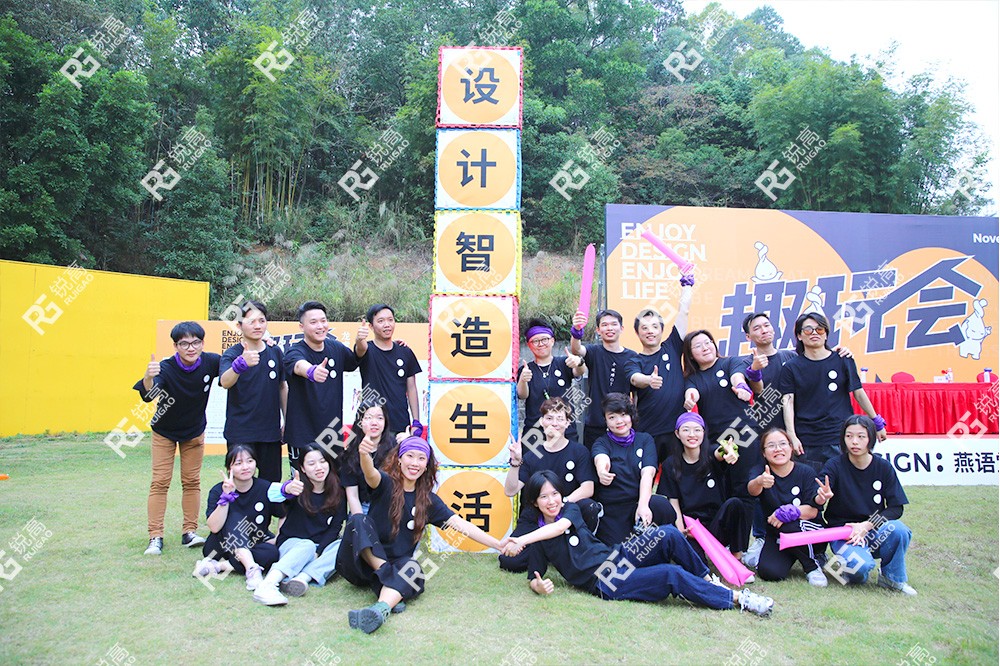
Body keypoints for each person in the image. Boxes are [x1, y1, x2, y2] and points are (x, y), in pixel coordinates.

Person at [503, 470, 774, 616]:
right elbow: (534, 576)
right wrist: (539, 586)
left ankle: (709, 581)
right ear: (534, 502)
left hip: (617, 557)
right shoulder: (539, 538)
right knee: (670, 574)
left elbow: (560, 527)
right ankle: (738, 599)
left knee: (667, 533)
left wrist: (520, 540)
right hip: (605, 582)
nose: (552, 501)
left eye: (555, 494)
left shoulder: (569, 510)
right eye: (544, 497)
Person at [337, 436, 505, 633]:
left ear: (426, 465)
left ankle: (380, 609)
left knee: (413, 568)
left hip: (400, 565)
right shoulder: (386, 483)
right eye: (409, 456)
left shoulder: (428, 501)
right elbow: (370, 474)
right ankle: (391, 582)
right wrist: (364, 455)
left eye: (421, 458)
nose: (415, 463)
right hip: (364, 564)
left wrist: (498, 545)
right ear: (399, 459)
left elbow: (461, 525)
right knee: (358, 520)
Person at [134, 321, 220, 555]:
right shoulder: (166, 368)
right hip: (165, 432)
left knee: (191, 482)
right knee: (160, 482)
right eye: (184, 344)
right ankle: (155, 537)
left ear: (202, 343)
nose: (191, 348)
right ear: (175, 346)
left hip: (194, 431)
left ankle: (189, 532)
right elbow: (149, 395)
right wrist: (148, 377)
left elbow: (233, 366)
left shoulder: (211, 362)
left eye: (195, 343)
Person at [815, 415, 916, 595]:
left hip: (873, 530)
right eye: (849, 436)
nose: (854, 441)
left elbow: (896, 508)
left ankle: (892, 579)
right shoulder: (834, 465)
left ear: (871, 438)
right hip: (844, 533)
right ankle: (844, 568)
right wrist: (821, 496)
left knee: (899, 530)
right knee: (860, 572)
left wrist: (867, 525)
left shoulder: (883, 467)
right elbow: (818, 493)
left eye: (861, 436)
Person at [500, 397, 599, 572]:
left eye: (560, 418)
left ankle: (568, 550)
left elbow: (588, 488)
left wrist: (560, 503)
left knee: (589, 507)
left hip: (567, 512)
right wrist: (515, 463)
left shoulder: (579, 451)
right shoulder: (532, 455)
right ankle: (547, 551)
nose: (554, 423)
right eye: (549, 418)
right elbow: (510, 491)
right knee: (509, 561)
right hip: (536, 515)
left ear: (568, 423)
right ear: (541, 421)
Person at [778, 313, 886, 469]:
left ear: (826, 334)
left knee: (844, 482)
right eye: (808, 330)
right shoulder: (791, 367)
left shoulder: (843, 359)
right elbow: (788, 402)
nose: (814, 333)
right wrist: (792, 436)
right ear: (799, 336)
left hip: (840, 437)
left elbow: (858, 392)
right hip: (808, 440)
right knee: (813, 483)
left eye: (820, 329)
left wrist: (877, 422)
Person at [251, 444, 348, 606]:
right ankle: (267, 585)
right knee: (306, 545)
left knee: (343, 545)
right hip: (292, 544)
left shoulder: (338, 490)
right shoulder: (296, 487)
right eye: (311, 463)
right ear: (302, 468)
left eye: (322, 461)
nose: (319, 467)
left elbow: (335, 527)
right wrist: (286, 490)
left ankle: (302, 578)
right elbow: (276, 499)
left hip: (318, 547)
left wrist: (319, 551)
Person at [681, 329, 763, 503]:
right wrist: (690, 399)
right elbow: (692, 392)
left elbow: (737, 377)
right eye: (698, 346)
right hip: (718, 439)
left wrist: (741, 387)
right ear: (691, 355)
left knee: (748, 483)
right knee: (725, 487)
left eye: (708, 342)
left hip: (744, 430)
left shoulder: (731, 362)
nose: (705, 348)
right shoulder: (692, 379)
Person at [660, 412, 752, 563]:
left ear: (703, 432)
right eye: (686, 430)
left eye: (697, 430)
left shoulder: (710, 454)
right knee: (698, 566)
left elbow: (720, 452)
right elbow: (673, 501)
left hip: (717, 522)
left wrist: (729, 451)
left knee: (735, 504)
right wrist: (681, 530)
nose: (692, 434)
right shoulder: (670, 464)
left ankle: (736, 557)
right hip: (692, 528)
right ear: (677, 433)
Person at [284, 301, 361, 470]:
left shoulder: (336, 348)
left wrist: (361, 342)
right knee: (302, 482)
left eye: (323, 320)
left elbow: (355, 360)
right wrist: (312, 371)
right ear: (301, 326)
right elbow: (298, 365)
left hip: (332, 431)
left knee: (335, 480)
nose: (320, 326)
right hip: (302, 433)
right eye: (313, 322)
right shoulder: (294, 351)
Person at [591, 393, 676, 546]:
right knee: (620, 552)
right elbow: (600, 458)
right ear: (605, 421)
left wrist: (643, 505)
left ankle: (665, 545)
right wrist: (602, 471)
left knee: (661, 505)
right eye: (612, 417)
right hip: (613, 509)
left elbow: (648, 473)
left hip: (638, 502)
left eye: (623, 415)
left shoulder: (645, 439)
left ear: (631, 415)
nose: (619, 421)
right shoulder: (601, 443)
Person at [746, 429, 827, 586]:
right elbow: (752, 490)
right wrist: (760, 481)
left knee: (788, 524)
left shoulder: (806, 472)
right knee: (769, 572)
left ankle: (812, 566)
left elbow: (812, 512)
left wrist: (786, 513)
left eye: (783, 444)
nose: (778, 449)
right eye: (771, 446)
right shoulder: (761, 472)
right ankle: (791, 553)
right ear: (763, 453)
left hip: (809, 531)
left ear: (791, 447)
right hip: (778, 534)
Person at [194, 444, 281, 591]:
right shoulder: (217, 490)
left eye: (250, 461)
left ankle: (218, 566)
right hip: (220, 547)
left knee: (272, 554)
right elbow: (214, 527)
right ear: (229, 468)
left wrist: (278, 537)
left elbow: (283, 513)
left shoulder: (265, 488)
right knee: (235, 518)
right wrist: (226, 497)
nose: (245, 467)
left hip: (254, 543)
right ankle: (252, 569)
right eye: (238, 463)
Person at [219, 301, 287, 482]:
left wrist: (287, 420)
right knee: (239, 483)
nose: (258, 326)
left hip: (270, 433)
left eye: (262, 321)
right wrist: (240, 365)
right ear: (239, 326)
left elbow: (282, 387)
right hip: (240, 433)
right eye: (251, 322)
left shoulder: (275, 352)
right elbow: (225, 382)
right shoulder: (232, 354)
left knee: (271, 484)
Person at [625, 278, 691, 463]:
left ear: (662, 330)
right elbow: (634, 378)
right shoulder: (634, 360)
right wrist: (648, 380)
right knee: (647, 473)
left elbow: (684, 311)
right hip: (648, 431)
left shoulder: (672, 347)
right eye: (644, 328)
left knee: (676, 474)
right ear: (637, 333)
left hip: (676, 430)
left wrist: (687, 285)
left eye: (655, 326)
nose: (650, 331)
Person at [569, 309, 638, 451]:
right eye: (605, 325)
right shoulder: (594, 351)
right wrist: (577, 330)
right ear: (598, 330)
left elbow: (636, 394)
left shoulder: (632, 356)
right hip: (595, 424)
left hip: (622, 424)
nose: (609, 328)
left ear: (622, 328)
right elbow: (577, 349)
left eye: (614, 324)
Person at [355, 303, 422, 437]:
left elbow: (411, 388)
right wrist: (359, 339)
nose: (387, 325)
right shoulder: (367, 350)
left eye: (390, 320)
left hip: (400, 423)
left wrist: (416, 421)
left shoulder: (405, 352)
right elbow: (360, 348)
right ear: (371, 326)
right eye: (381, 321)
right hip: (373, 425)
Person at [516, 319, 581, 444]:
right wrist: (523, 380)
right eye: (535, 341)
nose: (540, 344)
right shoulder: (525, 369)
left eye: (544, 339)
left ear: (552, 341)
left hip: (564, 428)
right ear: (529, 345)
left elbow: (579, 371)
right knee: (532, 458)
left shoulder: (564, 363)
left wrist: (579, 362)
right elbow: (522, 395)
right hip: (535, 432)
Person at [341, 400, 397, 515]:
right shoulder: (350, 454)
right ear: (360, 422)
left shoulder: (395, 448)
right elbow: (352, 496)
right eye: (368, 418)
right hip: (364, 507)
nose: (374, 423)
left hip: (392, 506)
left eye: (379, 418)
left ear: (385, 422)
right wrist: (361, 521)